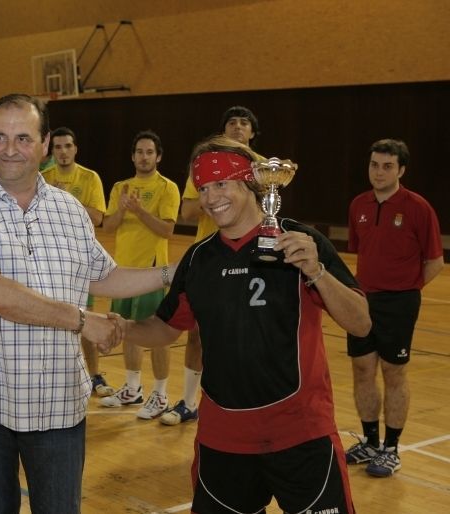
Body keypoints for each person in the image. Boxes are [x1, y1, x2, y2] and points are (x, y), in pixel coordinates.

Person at [0, 93, 176, 513]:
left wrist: (175, 272)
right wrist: (84, 321)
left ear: (45, 144)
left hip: (60, 404)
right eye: (0, 137)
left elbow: (104, 275)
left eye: (24, 138)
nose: (10, 149)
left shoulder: (70, 210)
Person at [122, 135, 370, 513]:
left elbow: (362, 323)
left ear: (250, 183)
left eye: (221, 183)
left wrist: (316, 271)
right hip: (224, 441)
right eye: (203, 187)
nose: (210, 197)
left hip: (300, 434)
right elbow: (166, 328)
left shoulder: (298, 241)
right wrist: (117, 328)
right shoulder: (199, 259)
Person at [344, 139, 444, 477]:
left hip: (399, 302)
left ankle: (391, 448)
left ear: (401, 169)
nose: (379, 172)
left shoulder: (418, 207)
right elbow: (361, 253)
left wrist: (406, 292)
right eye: (374, 164)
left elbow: (434, 262)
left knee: (393, 372)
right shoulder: (358, 204)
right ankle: (370, 442)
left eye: (387, 166)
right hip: (362, 300)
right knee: (362, 369)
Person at [163, 105, 261, 426]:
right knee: (197, 334)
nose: (237, 127)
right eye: (231, 122)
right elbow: (188, 212)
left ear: (252, 133)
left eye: (243, 123)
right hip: (210, 258)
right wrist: (220, 195)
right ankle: (190, 401)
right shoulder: (204, 165)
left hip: (252, 258)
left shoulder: (261, 169)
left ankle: (247, 401)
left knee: (249, 334)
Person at [100, 130, 181, 419]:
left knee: (156, 334)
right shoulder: (121, 187)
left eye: (150, 152)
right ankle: (133, 388)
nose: (144, 157)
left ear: (158, 156)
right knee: (127, 329)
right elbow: (108, 227)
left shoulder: (167, 187)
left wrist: (141, 210)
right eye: (139, 152)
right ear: (132, 156)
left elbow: (167, 230)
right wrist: (122, 211)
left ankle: (160, 394)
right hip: (122, 272)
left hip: (152, 272)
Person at [42, 126, 113, 396]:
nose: (62, 152)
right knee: (50, 318)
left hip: (78, 261)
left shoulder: (89, 178)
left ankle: (95, 375)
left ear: (75, 149)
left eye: (67, 146)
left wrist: (63, 200)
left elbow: (96, 217)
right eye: (57, 147)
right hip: (48, 260)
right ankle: (53, 375)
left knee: (84, 320)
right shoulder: (42, 178)